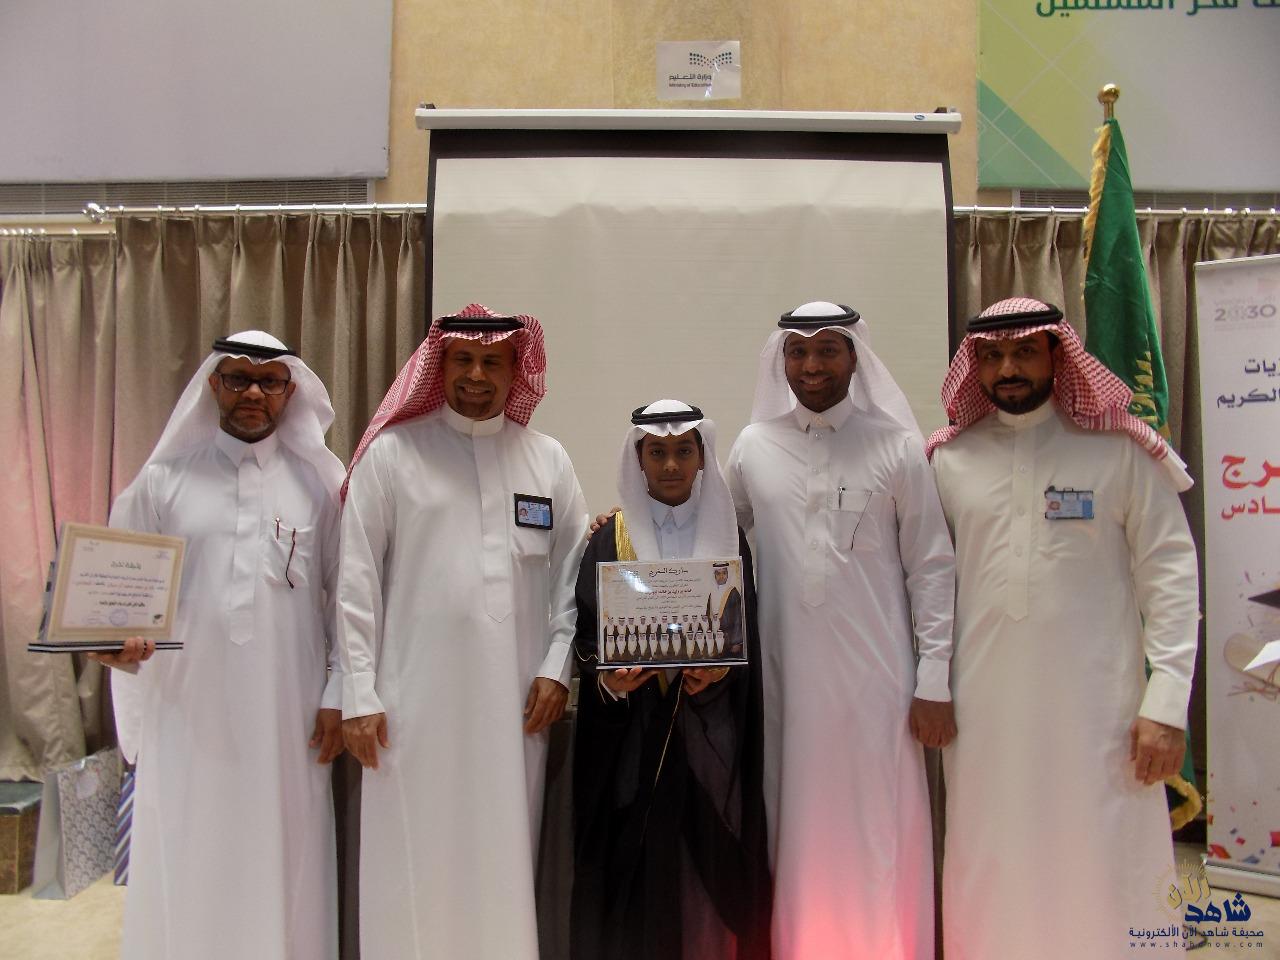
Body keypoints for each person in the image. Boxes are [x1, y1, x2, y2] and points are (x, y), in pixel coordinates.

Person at [926, 297, 1199, 960]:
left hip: (1102, 713)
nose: (1007, 369)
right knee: (993, 857)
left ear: (1056, 354)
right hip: (985, 715)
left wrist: (1166, 704)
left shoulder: (1121, 453)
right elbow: (922, 585)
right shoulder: (947, 461)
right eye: (992, 356)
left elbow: (1171, 577)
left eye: (1024, 351)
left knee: (1103, 857)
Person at [337, 303, 588, 960]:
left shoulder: (547, 460)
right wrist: (357, 694)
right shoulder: (393, 455)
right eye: (464, 360)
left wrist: (557, 667)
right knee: (412, 859)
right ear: (439, 364)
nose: (476, 375)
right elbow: (356, 582)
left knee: (500, 857)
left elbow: (573, 576)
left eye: (492, 362)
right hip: (408, 707)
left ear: (516, 370)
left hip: (514, 709)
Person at [96, 331, 345, 960]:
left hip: (288, 715)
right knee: (188, 842)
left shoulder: (321, 486)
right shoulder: (162, 483)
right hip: (187, 711)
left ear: (290, 391)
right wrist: (112, 646)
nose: (253, 392)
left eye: (270, 381)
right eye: (238, 378)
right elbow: (117, 603)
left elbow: (345, 599)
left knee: (283, 848)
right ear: (214, 385)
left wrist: (340, 691)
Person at [725, 301, 956, 959]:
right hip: (786, 686)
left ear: (856, 356)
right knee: (794, 823)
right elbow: (720, 544)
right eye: (798, 351)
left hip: (879, 689)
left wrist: (934, 678)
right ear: (781, 361)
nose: (812, 365)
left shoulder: (897, 447)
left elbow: (932, 568)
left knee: (879, 826)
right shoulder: (752, 447)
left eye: (828, 349)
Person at [572, 399, 772, 960]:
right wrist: (611, 681)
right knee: (637, 868)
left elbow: (746, 630)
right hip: (632, 737)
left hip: (710, 733)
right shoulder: (609, 538)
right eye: (656, 452)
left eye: (684, 451)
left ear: (702, 457)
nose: (670, 465)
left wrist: (721, 670)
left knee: (709, 866)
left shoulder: (728, 535)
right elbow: (585, 634)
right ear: (638, 459)